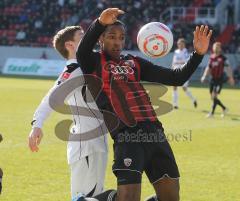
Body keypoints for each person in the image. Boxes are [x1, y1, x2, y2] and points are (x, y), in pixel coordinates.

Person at [76, 8, 212, 201]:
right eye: (111, 36)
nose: (117, 42)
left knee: (171, 198)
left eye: (121, 37)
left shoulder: (134, 62)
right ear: (101, 39)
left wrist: (197, 54)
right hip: (126, 136)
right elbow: (82, 50)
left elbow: (177, 77)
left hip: (155, 134)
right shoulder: (93, 62)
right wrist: (99, 23)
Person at [28, 26, 108, 199]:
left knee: (91, 195)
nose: (88, 38)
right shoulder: (73, 70)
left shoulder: (89, 65)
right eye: (82, 36)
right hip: (87, 144)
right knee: (87, 197)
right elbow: (51, 98)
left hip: (96, 141)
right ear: (70, 45)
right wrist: (37, 124)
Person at [201, 42, 234, 118]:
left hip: (219, 80)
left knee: (214, 96)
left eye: (217, 47)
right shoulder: (211, 57)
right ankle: (224, 108)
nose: (215, 48)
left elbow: (228, 68)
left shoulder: (223, 58)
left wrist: (231, 77)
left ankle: (212, 114)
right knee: (212, 97)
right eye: (214, 47)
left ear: (220, 48)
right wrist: (204, 76)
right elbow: (208, 68)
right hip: (212, 79)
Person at [172, 38, 197, 109]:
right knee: (174, 87)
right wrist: (172, 69)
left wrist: (179, 62)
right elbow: (173, 62)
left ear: (184, 45)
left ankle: (193, 99)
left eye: (182, 44)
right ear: (178, 44)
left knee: (184, 88)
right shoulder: (176, 52)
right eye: (179, 44)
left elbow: (186, 62)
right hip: (176, 71)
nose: (180, 45)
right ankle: (175, 104)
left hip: (183, 72)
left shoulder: (186, 51)